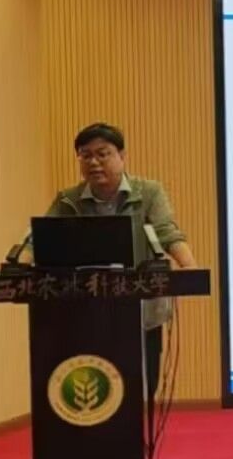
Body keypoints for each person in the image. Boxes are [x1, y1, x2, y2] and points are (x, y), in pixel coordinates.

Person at [45, 123, 196, 425]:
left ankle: (135, 444)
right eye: (85, 155)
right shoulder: (68, 199)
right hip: (88, 311)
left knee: (142, 386)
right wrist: (16, 262)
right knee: (98, 386)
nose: (93, 162)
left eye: (103, 154)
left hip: (142, 311)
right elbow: (42, 240)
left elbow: (166, 232)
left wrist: (189, 268)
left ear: (122, 156)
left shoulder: (148, 192)